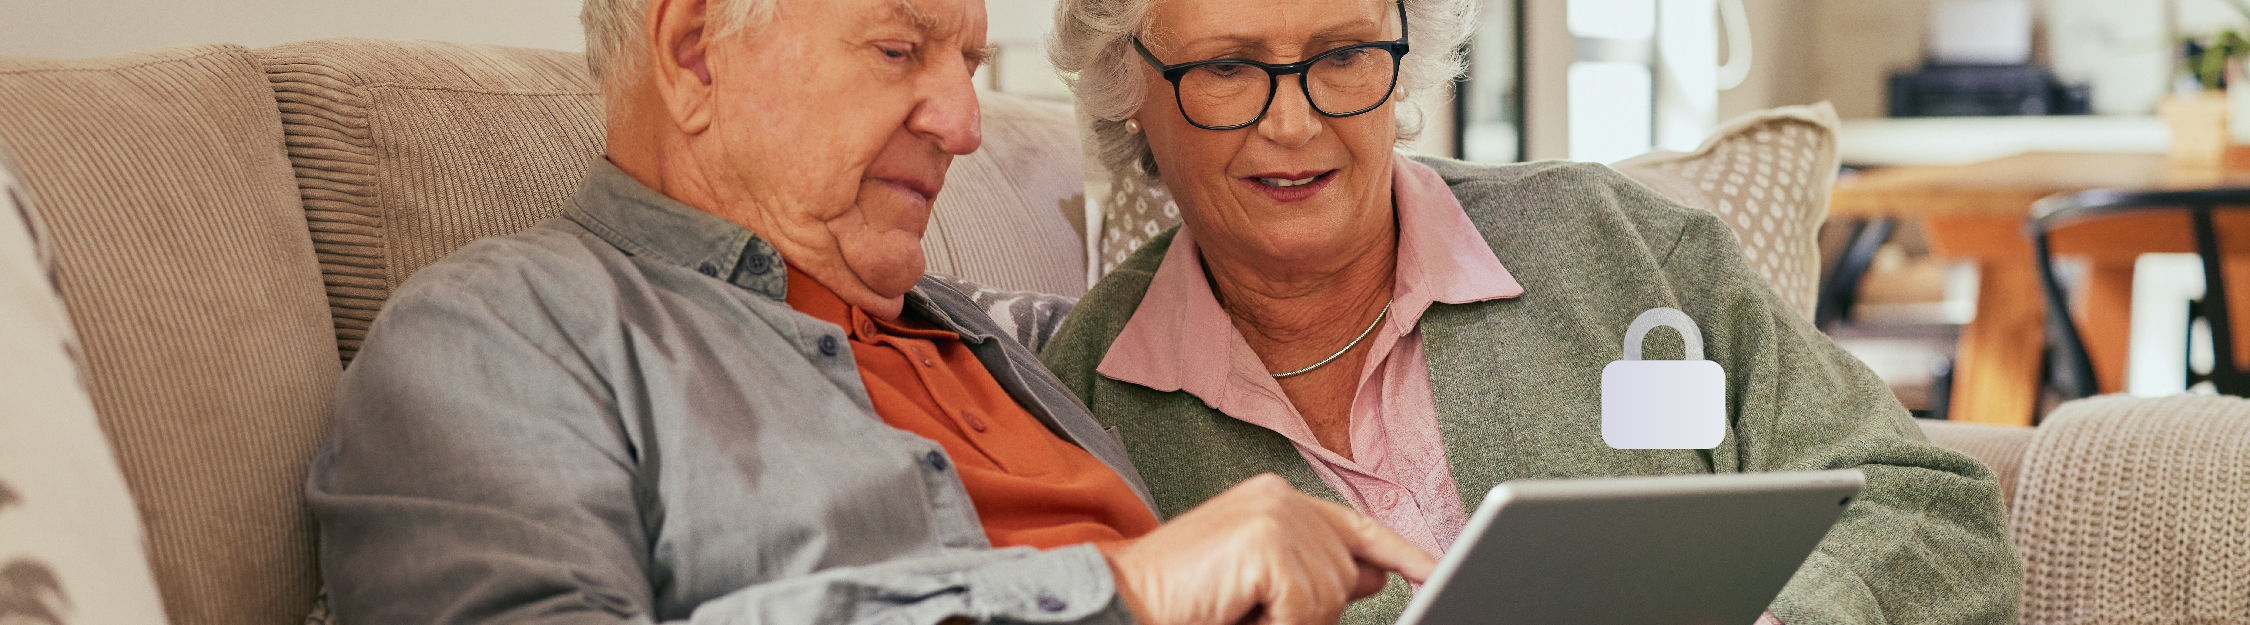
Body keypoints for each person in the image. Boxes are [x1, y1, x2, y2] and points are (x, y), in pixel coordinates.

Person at [307, 0, 1438, 622]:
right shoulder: (506, 334)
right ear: (694, 48)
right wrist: (1118, 591)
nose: (964, 121)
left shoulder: (1010, 342)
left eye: (970, 62)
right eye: (901, 50)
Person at [1037, 0, 2021, 623]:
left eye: (1342, 55)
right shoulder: (1081, 403)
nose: (1292, 122)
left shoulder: (1612, 242)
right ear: (1133, 95)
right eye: (1227, 68)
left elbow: (1936, 514)